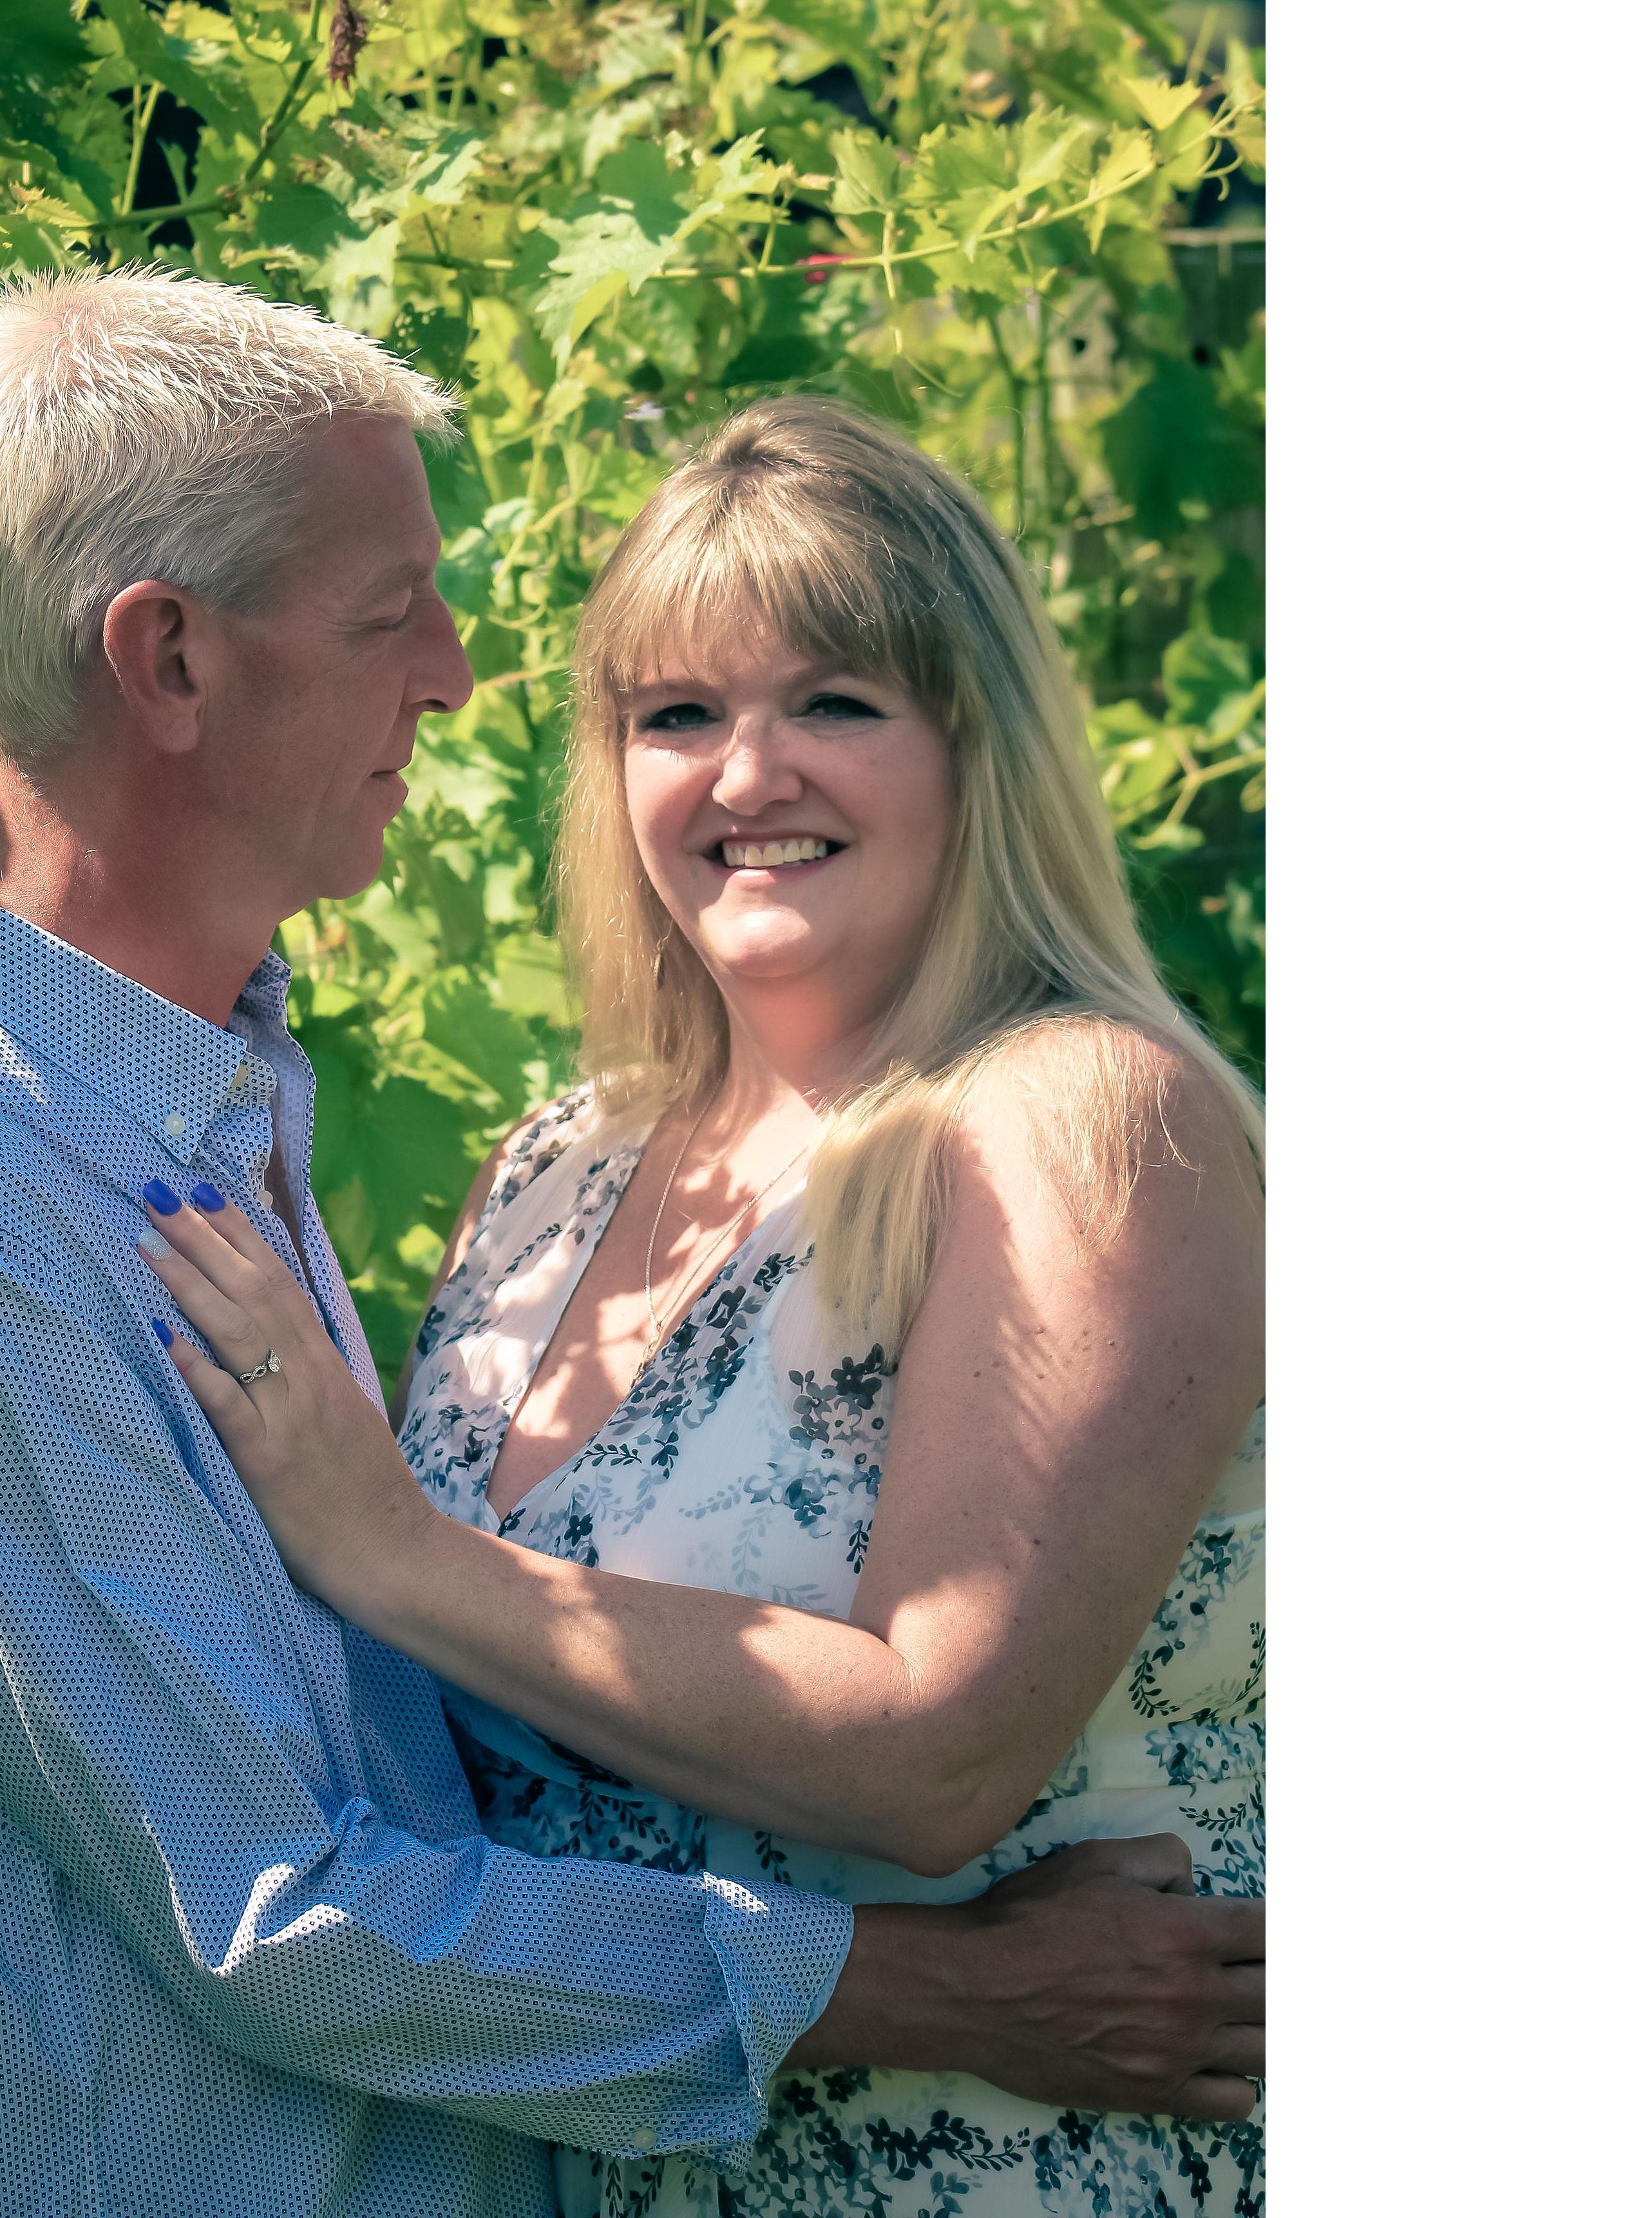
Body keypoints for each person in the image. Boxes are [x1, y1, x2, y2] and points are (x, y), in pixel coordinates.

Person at [0, 271, 1266, 2218]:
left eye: (840, 702)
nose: (455, 673)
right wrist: (940, 1990)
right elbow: (280, 1913)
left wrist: (400, 1556)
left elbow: (434, 1731)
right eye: (393, 616)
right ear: (172, 665)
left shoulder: (209, 1101)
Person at [137, 395, 1267, 2216]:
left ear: (974, 745)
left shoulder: (1077, 1118)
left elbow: (941, 1750)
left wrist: (397, 1551)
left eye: (834, 701)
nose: (747, 779)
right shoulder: (561, 1166)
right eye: (679, 716)